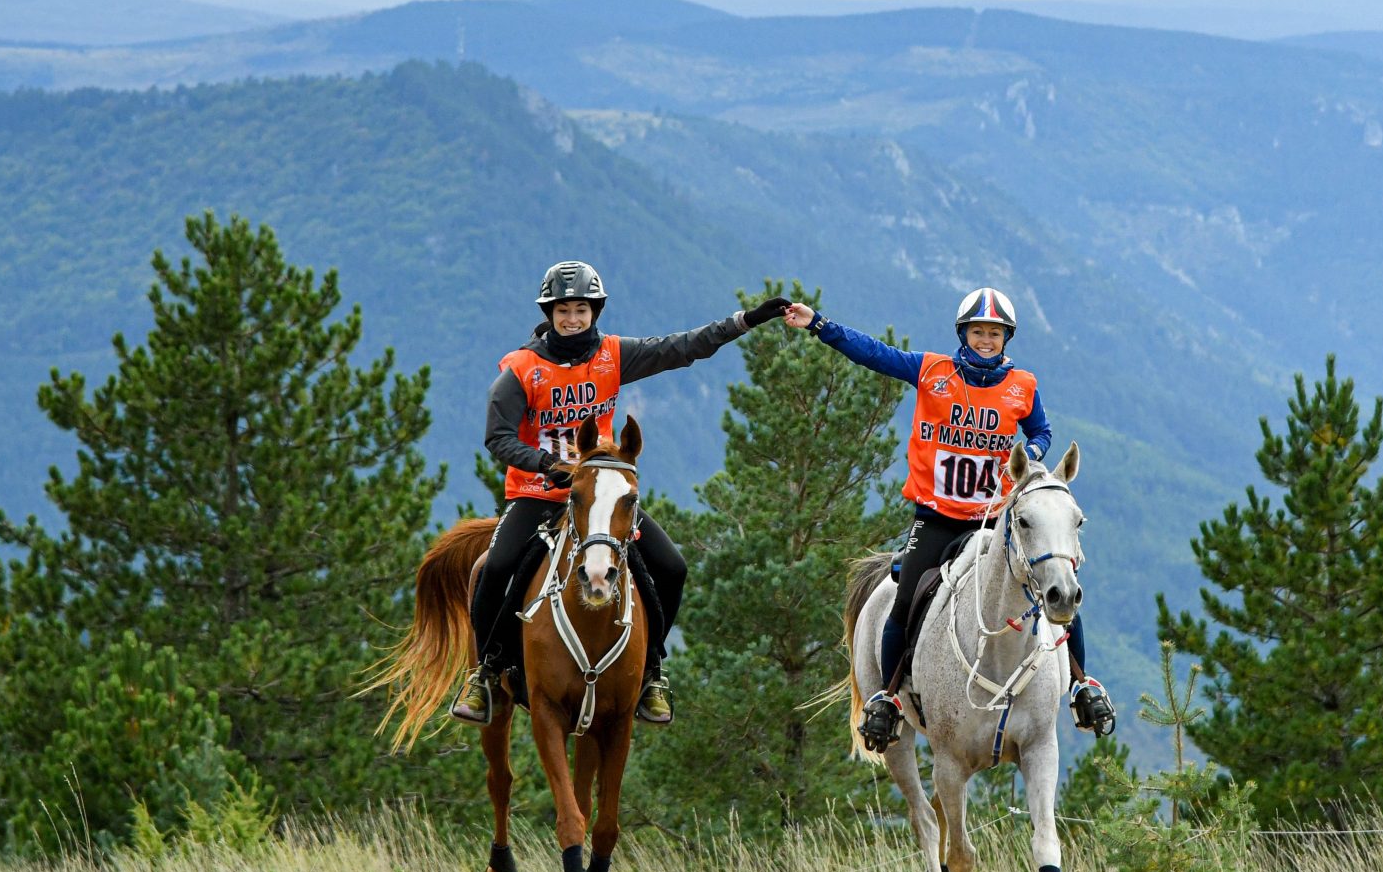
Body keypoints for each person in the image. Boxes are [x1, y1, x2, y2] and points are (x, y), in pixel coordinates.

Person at [454, 261, 789, 727]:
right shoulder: (521, 370)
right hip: (537, 492)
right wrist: (546, 464)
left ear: (595, 311)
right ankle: (486, 672)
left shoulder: (613, 355)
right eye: (563, 310)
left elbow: (682, 347)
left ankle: (652, 673)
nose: (573, 319)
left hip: (601, 495)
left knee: (671, 567)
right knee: (496, 568)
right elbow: (498, 437)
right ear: (549, 314)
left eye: (581, 310)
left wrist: (746, 320)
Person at [783, 288, 1117, 749]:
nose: (986, 340)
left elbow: (1041, 430)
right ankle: (888, 698)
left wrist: (1034, 452)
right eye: (978, 331)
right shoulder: (931, 371)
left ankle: (1081, 684)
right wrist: (819, 325)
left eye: (995, 333)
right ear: (963, 334)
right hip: (937, 517)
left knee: (1053, 582)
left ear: (1006, 338)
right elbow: (874, 353)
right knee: (905, 600)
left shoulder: (1023, 385)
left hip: (993, 520)